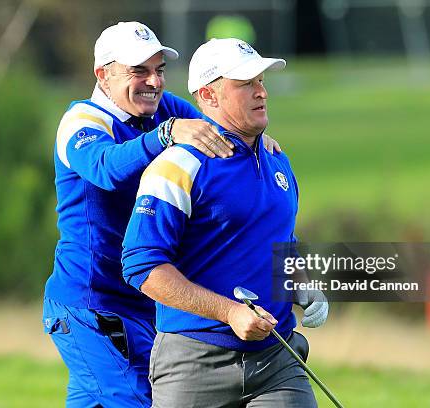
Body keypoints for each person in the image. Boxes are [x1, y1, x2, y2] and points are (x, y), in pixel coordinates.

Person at [42, 22, 282, 407]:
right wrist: (165, 134)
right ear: (103, 75)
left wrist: (252, 139)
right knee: (137, 400)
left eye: (159, 70)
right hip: (91, 303)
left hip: (144, 301)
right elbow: (105, 168)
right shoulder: (82, 121)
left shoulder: (161, 109)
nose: (153, 81)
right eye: (139, 71)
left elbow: (216, 129)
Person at [122, 38, 329, 407]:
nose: (261, 92)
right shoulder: (177, 167)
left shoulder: (277, 159)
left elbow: (280, 239)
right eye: (246, 84)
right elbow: (142, 267)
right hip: (193, 361)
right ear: (209, 95)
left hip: (276, 358)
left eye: (261, 81)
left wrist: (301, 283)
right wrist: (229, 312)